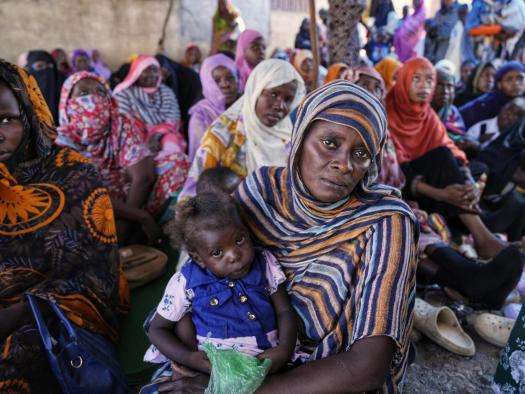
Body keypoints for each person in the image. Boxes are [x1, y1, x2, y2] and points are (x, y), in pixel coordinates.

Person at [0, 59, 127, 391]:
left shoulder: (72, 173)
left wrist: (23, 311)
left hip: (55, 315)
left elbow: (95, 273)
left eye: (6, 119)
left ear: (28, 114)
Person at [144, 192, 297, 388]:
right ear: (198, 258)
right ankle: (185, 376)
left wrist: (284, 349)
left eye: (240, 240)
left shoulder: (265, 263)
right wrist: (191, 358)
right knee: (182, 321)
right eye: (217, 252)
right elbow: (157, 329)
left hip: (268, 365)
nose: (234, 255)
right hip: (213, 369)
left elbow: (284, 311)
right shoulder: (186, 282)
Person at [386, 57, 506, 260]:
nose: (424, 86)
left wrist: (470, 183)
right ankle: (482, 235)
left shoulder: (427, 114)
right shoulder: (387, 112)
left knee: (453, 161)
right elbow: (394, 170)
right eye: (416, 79)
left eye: (429, 80)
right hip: (401, 186)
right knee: (440, 159)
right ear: (404, 79)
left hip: (436, 182)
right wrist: (441, 194)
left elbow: (449, 148)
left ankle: (479, 235)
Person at [56, 71, 189, 244]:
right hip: (91, 208)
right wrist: (141, 217)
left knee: (177, 163)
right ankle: (129, 233)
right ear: (67, 101)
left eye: (100, 92)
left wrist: (125, 224)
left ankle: (128, 232)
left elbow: (143, 177)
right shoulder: (60, 142)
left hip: (128, 197)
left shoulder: (120, 123)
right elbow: (85, 195)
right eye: (83, 93)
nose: (93, 99)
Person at [178, 59, 305, 200]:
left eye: (288, 99)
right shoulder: (222, 134)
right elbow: (193, 192)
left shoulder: (288, 137)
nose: (280, 106)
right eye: (273, 94)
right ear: (255, 90)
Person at [114, 55, 185, 157]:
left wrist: (156, 135)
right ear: (136, 73)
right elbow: (123, 123)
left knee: (171, 143)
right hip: (135, 136)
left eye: (154, 70)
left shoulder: (167, 92)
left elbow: (173, 120)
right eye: (146, 70)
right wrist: (146, 137)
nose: (152, 74)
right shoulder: (125, 93)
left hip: (164, 134)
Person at [188, 54, 239, 162]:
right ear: (207, 84)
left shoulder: (245, 108)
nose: (225, 85)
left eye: (230, 78)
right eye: (217, 80)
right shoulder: (201, 115)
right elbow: (202, 157)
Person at [460, 61, 525, 130]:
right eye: (509, 79)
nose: (516, 83)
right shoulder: (485, 104)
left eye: (520, 78)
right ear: (499, 84)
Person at [155, 53, 202, 138]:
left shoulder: (171, 74)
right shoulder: (168, 68)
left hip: (193, 97)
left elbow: (174, 99)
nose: (161, 78)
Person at [26, 50, 66, 123]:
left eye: (49, 66)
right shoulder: (23, 89)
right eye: (40, 66)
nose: (46, 69)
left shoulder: (63, 82)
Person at [424, 0, 460, 64]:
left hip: (446, 55)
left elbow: (447, 32)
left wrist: (436, 31)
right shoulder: (439, 12)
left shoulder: (457, 11)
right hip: (433, 55)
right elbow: (432, 29)